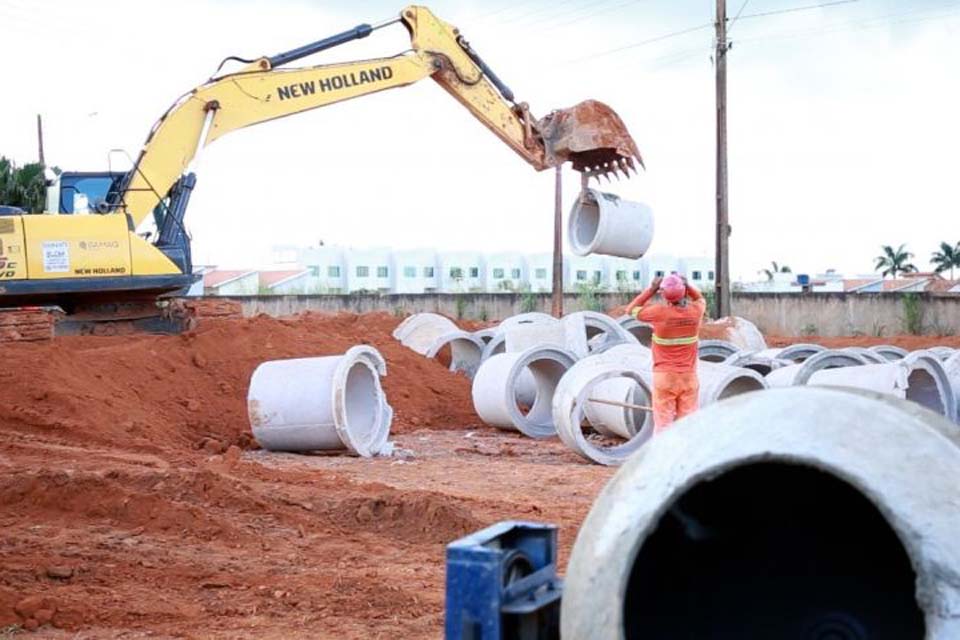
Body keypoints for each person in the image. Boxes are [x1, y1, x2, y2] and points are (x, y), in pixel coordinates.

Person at [626, 273, 706, 434]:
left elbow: (631, 310)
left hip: (664, 377)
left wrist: (652, 289)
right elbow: (700, 299)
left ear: (663, 294)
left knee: (664, 424)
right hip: (688, 377)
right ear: (683, 291)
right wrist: (687, 285)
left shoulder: (658, 312)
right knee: (688, 424)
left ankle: (663, 457)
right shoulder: (696, 311)